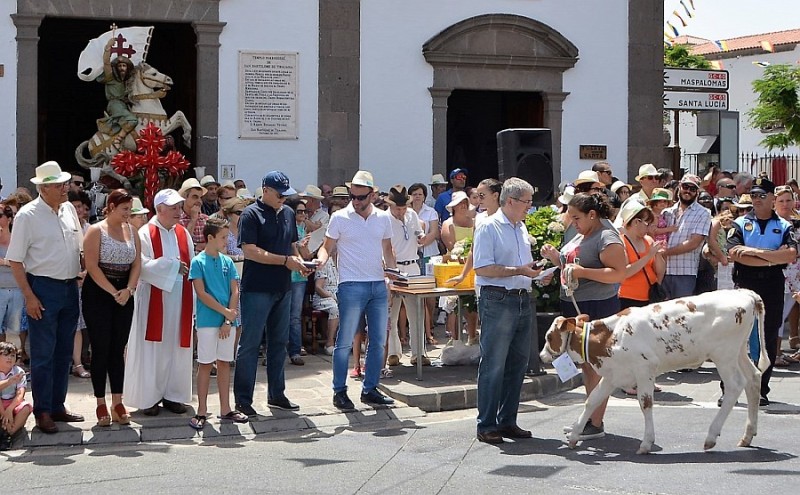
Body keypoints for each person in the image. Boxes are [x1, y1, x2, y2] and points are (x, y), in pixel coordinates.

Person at [541, 192, 627, 441]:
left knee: (595, 366)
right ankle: (590, 418)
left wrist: (582, 271)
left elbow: (618, 273)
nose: (573, 222)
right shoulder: (584, 233)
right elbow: (572, 266)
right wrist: (556, 260)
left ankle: (595, 421)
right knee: (586, 365)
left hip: (597, 306)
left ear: (592, 215)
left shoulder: (607, 237)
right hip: (576, 303)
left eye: (576, 217)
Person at [7, 161, 85, 433]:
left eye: (65, 184)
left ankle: (57, 406)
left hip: (68, 288)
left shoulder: (68, 211)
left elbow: (79, 246)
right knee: (43, 353)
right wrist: (29, 296)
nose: (66, 188)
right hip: (42, 287)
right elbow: (15, 261)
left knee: (63, 351)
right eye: (60, 185)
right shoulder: (27, 216)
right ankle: (42, 410)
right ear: (44, 188)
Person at [315, 170, 397, 411]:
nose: (356, 201)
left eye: (361, 197)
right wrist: (319, 261)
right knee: (344, 342)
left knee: (378, 340)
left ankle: (370, 389)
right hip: (350, 284)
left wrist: (391, 275)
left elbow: (388, 249)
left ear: (372, 195)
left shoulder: (383, 218)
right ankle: (339, 391)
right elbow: (326, 247)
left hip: (377, 284)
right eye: (353, 196)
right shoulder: (340, 217)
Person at [472, 177, 542, 444]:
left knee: (517, 364)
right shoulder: (488, 227)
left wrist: (534, 274)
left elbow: (519, 265)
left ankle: (507, 421)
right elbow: (483, 268)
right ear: (511, 201)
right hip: (498, 299)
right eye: (527, 201)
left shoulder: (520, 227)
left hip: (522, 297)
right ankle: (487, 423)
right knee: (494, 363)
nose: (530, 206)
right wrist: (521, 271)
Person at [233, 171, 309, 417]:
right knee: (250, 344)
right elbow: (251, 251)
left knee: (279, 343)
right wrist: (286, 260)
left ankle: (277, 394)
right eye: (279, 195)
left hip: (283, 287)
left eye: (285, 195)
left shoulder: (287, 213)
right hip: (257, 288)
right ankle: (243, 399)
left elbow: (292, 246)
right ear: (265, 190)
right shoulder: (250, 215)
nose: (283, 200)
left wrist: (300, 260)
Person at [124, 189, 195, 416]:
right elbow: (140, 266)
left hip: (179, 299)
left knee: (176, 346)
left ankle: (173, 395)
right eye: (173, 207)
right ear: (160, 209)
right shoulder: (145, 233)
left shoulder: (183, 233)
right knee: (152, 349)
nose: (178, 211)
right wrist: (172, 266)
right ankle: (149, 398)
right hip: (153, 300)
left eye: (179, 207)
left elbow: (191, 265)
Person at [726, 178, 796, 406]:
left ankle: (760, 388)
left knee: (767, 338)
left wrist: (754, 252)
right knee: (737, 339)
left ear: (772, 199)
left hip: (772, 285)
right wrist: (771, 257)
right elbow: (735, 254)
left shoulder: (785, 226)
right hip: (745, 284)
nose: (756, 199)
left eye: (761, 195)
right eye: (753, 195)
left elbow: (790, 255)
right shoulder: (740, 223)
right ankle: (729, 387)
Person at [82, 189, 140, 426]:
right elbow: (92, 266)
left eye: (130, 208)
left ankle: (118, 400)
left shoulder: (132, 231)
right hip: (99, 292)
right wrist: (112, 291)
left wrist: (129, 289)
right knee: (101, 348)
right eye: (125, 208)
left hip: (124, 292)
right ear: (112, 207)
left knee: (118, 348)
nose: (129, 213)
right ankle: (99, 402)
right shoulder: (96, 230)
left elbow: (137, 263)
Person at [188, 217, 248, 430]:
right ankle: (202, 410)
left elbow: (235, 290)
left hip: (227, 321)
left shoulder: (228, 261)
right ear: (210, 237)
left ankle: (225, 408)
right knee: (205, 364)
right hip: (207, 321)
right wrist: (226, 314)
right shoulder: (198, 262)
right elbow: (201, 293)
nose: (226, 240)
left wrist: (228, 319)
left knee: (224, 363)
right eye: (223, 237)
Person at [385, 185, 427, 367]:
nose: (401, 211)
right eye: (398, 208)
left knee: (416, 312)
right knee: (392, 314)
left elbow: (419, 233)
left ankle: (419, 353)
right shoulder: (384, 219)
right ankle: (393, 352)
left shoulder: (412, 215)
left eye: (403, 208)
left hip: (412, 266)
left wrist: (422, 237)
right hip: (393, 269)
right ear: (391, 206)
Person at [662, 175, 711, 299]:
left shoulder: (704, 213)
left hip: (685, 273)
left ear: (697, 192)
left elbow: (693, 243)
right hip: (662, 271)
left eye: (692, 189)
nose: (688, 191)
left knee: (681, 315)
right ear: (679, 186)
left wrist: (664, 253)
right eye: (685, 186)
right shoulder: (666, 212)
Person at [440, 190, 478, 344]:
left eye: (465, 203)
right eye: (459, 203)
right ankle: (454, 340)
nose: (462, 206)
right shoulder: (448, 224)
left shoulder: (475, 221)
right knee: (453, 305)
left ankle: (472, 336)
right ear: (453, 206)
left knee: (471, 304)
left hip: (473, 267)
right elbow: (451, 247)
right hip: (454, 267)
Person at [617, 201, 665, 309]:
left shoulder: (648, 240)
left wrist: (657, 254)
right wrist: (648, 256)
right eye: (647, 224)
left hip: (650, 296)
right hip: (628, 298)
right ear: (636, 222)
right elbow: (625, 272)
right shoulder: (620, 242)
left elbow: (660, 271)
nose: (648, 228)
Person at [408, 182, 440, 343]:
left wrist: (422, 242)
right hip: (412, 255)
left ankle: (430, 325)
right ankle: (417, 328)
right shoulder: (406, 212)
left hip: (428, 253)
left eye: (420, 194)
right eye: (414, 194)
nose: (417, 196)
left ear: (424, 196)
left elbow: (434, 232)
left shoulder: (431, 212)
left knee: (430, 292)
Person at [313, 204, 343, 356]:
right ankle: (329, 342)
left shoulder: (342, 261)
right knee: (335, 308)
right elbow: (319, 287)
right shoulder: (323, 261)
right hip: (324, 296)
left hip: (339, 294)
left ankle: (352, 342)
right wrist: (330, 296)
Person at [96, 37, 138, 146]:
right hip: (115, 104)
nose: (122, 68)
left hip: (124, 104)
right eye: (119, 66)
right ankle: (119, 138)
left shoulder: (126, 82)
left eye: (124, 66)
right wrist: (108, 48)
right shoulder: (111, 77)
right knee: (133, 120)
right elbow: (106, 63)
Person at [68, 190, 92, 380]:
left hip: (86, 282)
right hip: (67, 281)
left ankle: (81, 360)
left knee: (84, 325)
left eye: (80, 207)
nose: (77, 210)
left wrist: (86, 273)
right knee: (74, 326)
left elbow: (93, 257)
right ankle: (75, 363)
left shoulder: (90, 229)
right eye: (74, 206)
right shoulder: (65, 228)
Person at [285, 197, 312, 365]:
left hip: (298, 277)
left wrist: (303, 247)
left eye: (304, 211)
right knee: (279, 315)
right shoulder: (286, 227)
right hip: (285, 274)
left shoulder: (303, 228)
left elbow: (307, 255)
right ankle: (275, 351)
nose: (302, 214)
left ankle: (295, 351)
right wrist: (297, 246)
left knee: (295, 316)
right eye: (299, 211)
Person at [0, 204, 23, 355]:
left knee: (14, 330)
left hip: (17, 289)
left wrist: (5, 262)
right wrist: (11, 262)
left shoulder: (18, 238)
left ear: (9, 219)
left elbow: (25, 262)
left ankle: (15, 362)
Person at [0, 342, 32, 450]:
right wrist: (4, 412)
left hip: (12, 402)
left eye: (12, 355)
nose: (9, 358)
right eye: (5, 355)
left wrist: (9, 409)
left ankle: (8, 433)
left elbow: (20, 394)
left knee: (26, 407)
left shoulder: (18, 371)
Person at [178, 178, 209, 254]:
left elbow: (213, 245)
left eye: (200, 197)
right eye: (195, 197)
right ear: (184, 197)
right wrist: (193, 219)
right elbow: (182, 245)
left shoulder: (207, 219)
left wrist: (194, 246)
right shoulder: (177, 220)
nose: (199, 201)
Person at [299, 185, 330, 254]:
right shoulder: (300, 212)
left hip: (312, 253)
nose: (303, 201)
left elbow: (314, 230)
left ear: (312, 200)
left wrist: (304, 219)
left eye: (305, 198)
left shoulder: (324, 216)